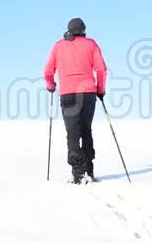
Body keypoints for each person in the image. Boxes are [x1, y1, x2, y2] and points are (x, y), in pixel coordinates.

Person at [43, 17, 107, 184]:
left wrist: (50, 85)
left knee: (73, 133)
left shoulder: (58, 46)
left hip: (68, 94)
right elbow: (101, 69)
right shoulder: (91, 44)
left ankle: (78, 174)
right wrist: (100, 89)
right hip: (88, 93)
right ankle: (89, 170)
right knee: (86, 130)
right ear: (83, 30)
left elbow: (47, 71)